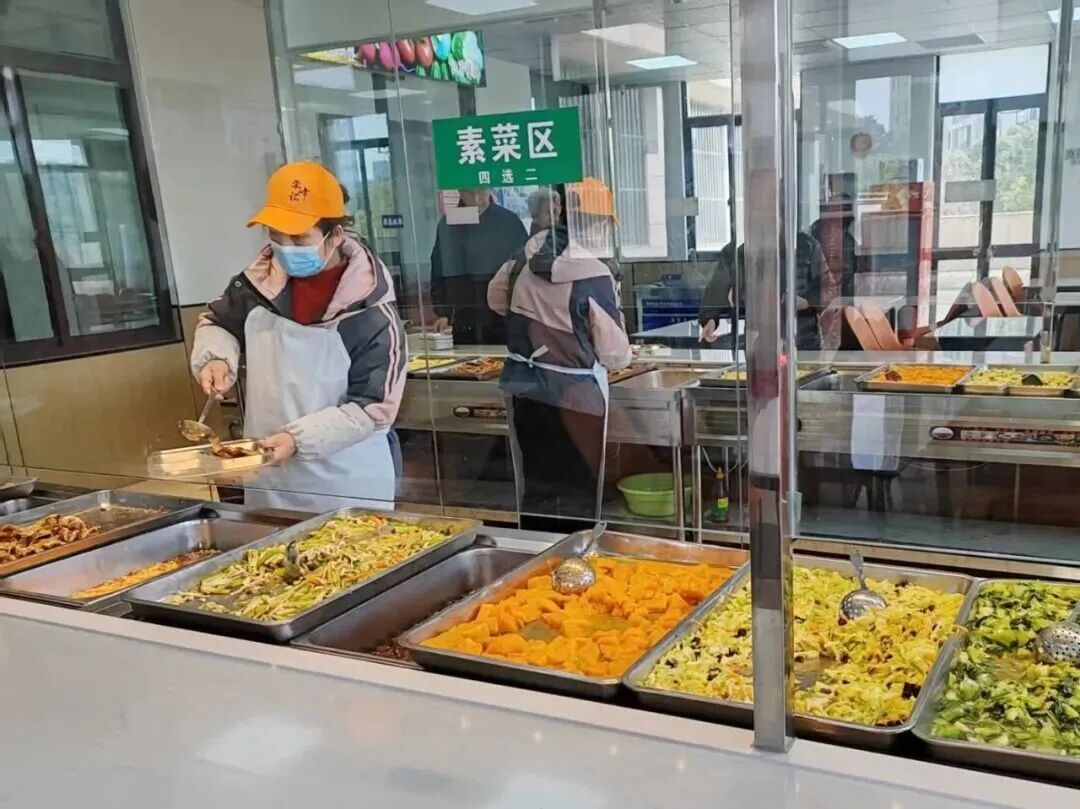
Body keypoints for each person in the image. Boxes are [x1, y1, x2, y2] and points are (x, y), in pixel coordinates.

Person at [190, 161, 406, 511]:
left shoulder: (369, 310)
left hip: (345, 480)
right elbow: (218, 323)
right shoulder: (255, 286)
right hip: (269, 476)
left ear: (335, 236)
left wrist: (297, 439)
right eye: (276, 236)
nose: (286, 248)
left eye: (299, 238)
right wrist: (216, 358)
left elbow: (373, 406)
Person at [487, 177, 631, 521]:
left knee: (537, 486)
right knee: (578, 492)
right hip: (576, 397)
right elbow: (614, 353)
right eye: (604, 225)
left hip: (524, 388)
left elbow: (495, 298)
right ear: (592, 224)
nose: (605, 233)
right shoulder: (594, 272)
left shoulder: (524, 254)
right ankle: (574, 553)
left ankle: (536, 550)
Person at [429, 188, 528, 345]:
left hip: (503, 316)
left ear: (489, 189)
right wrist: (443, 313)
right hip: (464, 318)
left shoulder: (509, 221)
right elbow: (438, 271)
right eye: (470, 193)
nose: (476, 199)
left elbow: (524, 269)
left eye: (481, 192)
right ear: (460, 192)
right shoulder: (448, 224)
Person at [698, 232, 826, 351]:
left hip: (804, 340)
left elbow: (827, 287)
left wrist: (806, 302)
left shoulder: (808, 246)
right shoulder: (746, 250)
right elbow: (720, 285)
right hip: (761, 339)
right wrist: (710, 319)